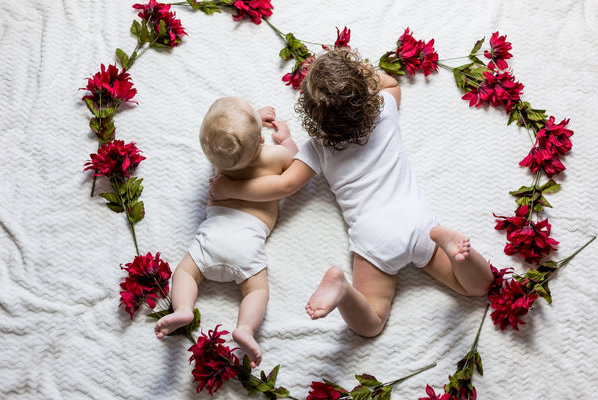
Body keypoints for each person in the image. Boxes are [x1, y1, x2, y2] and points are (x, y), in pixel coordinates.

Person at [209, 48, 495, 338]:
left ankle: (343, 290)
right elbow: (391, 84)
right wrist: (355, 73)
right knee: (478, 286)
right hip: (420, 224)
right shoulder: (385, 109)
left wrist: (231, 187)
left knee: (372, 323)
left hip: (375, 238)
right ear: (366, 90)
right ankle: (452, 245)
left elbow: (284, 185)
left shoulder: (319, 147)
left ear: (311, 114)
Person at [155, 96, 298, 367]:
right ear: (259, 140)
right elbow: (293, 154)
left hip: (212, 236)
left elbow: (232, 141)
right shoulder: (274, 157)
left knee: (185, 272)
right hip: (248, 242)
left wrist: (251, 122)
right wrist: (286, 137)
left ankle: (184, 308)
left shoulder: (223, 161)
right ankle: (245, 327)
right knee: (256, 291)